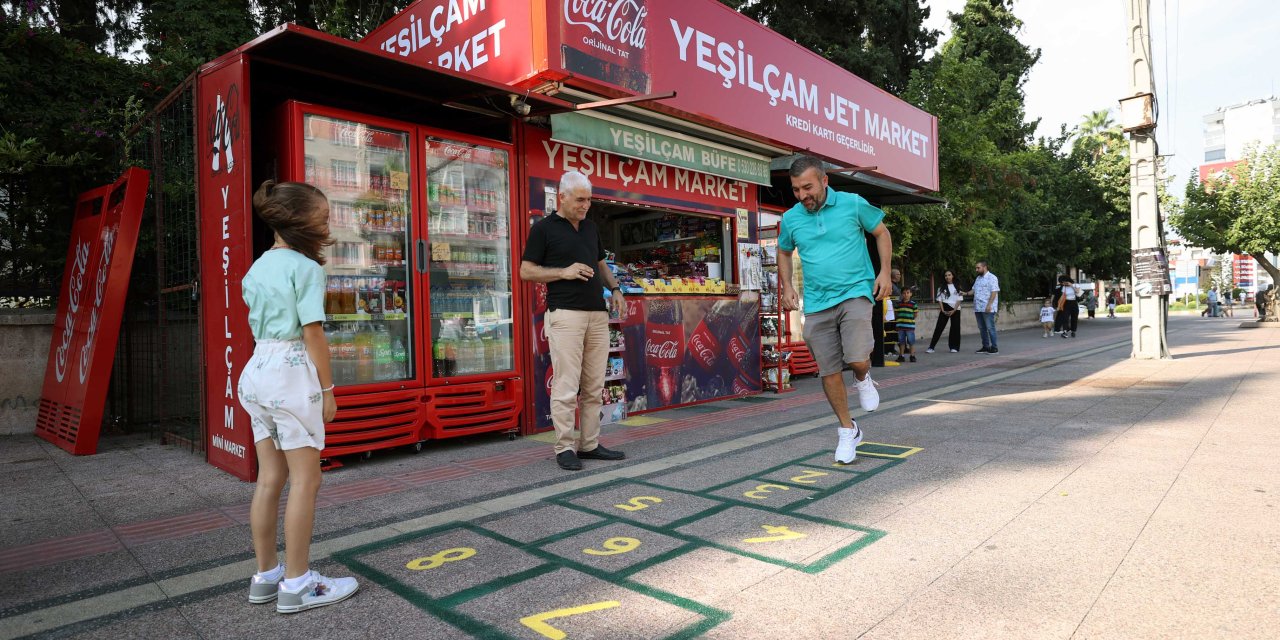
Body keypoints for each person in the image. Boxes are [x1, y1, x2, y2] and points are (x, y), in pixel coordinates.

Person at [238, 181, 358, 614]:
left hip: (257, 372)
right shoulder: (306, 269)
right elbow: (312, 332)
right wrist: (327, 390)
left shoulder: (257, 267)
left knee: (270, 477)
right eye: (323, 217)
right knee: (307, 478)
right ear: (299, 219)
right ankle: (298, 583)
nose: (328, 223)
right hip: (291, 374)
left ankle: (266, 575)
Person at [778, 156, 892, 464]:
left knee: (856, 357)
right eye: (796, 189)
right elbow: (784, 251)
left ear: (825, 181)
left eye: (808, 187)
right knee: (828, 371)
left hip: (855, 291)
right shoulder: (791, 219)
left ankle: (863, 377)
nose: (803, 195)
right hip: (816, 303)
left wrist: (884, 272)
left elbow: (881, 232)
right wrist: (788, 286)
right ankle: (847, 430)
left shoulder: (852, 204)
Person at [519, 171, 627, 471]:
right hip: (565, 314)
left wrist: (616, 288)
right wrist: (563, 272)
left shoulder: (591, 227)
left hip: (597, 313)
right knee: (567, 385)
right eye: (580, 199)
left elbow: (600, 263)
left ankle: (589, 443)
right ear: (562, 196)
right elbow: (526, 271)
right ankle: (564, 447)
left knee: (594, 385)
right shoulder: (543, 229)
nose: (586, 205)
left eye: (589, 200)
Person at [965, 261, 1000, 354]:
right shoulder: (978, 278)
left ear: (984, 267)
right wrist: (966, 293)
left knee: (990, 327)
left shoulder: (992, 278)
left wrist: (989, 305)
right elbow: (974, 290)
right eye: (976, 268)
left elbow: (994, 292)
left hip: (987, 307)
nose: (976, 270)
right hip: (978, 307)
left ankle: (994, 348)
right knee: (982, 328)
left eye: (978, 268)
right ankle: (985, 346)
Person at [926, 269, 962, 353]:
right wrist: (942, 310)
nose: (947, 277)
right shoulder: (941, 287)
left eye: (949, 275)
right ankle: (931, 347)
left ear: (953, 276)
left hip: (956, 309)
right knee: (939, 328)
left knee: (955, 328)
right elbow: (939, 300)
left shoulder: (958, 286)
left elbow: (959, 299)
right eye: (946, 275)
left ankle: (954, 347)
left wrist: (954, 310)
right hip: (945, 308)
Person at [895, 287, 918, 363]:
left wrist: (910, 320)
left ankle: (912, 356)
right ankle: (901, 356)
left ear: (911, 294)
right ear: (902, 294)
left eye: (908, 293)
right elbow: (896, 313)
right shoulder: (898, 304)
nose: (906, 294)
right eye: (904, 293)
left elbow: (915, 314)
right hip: (900, 326)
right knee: (901, 342)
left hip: (910, 326)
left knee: (911, 341)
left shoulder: (913, 304)